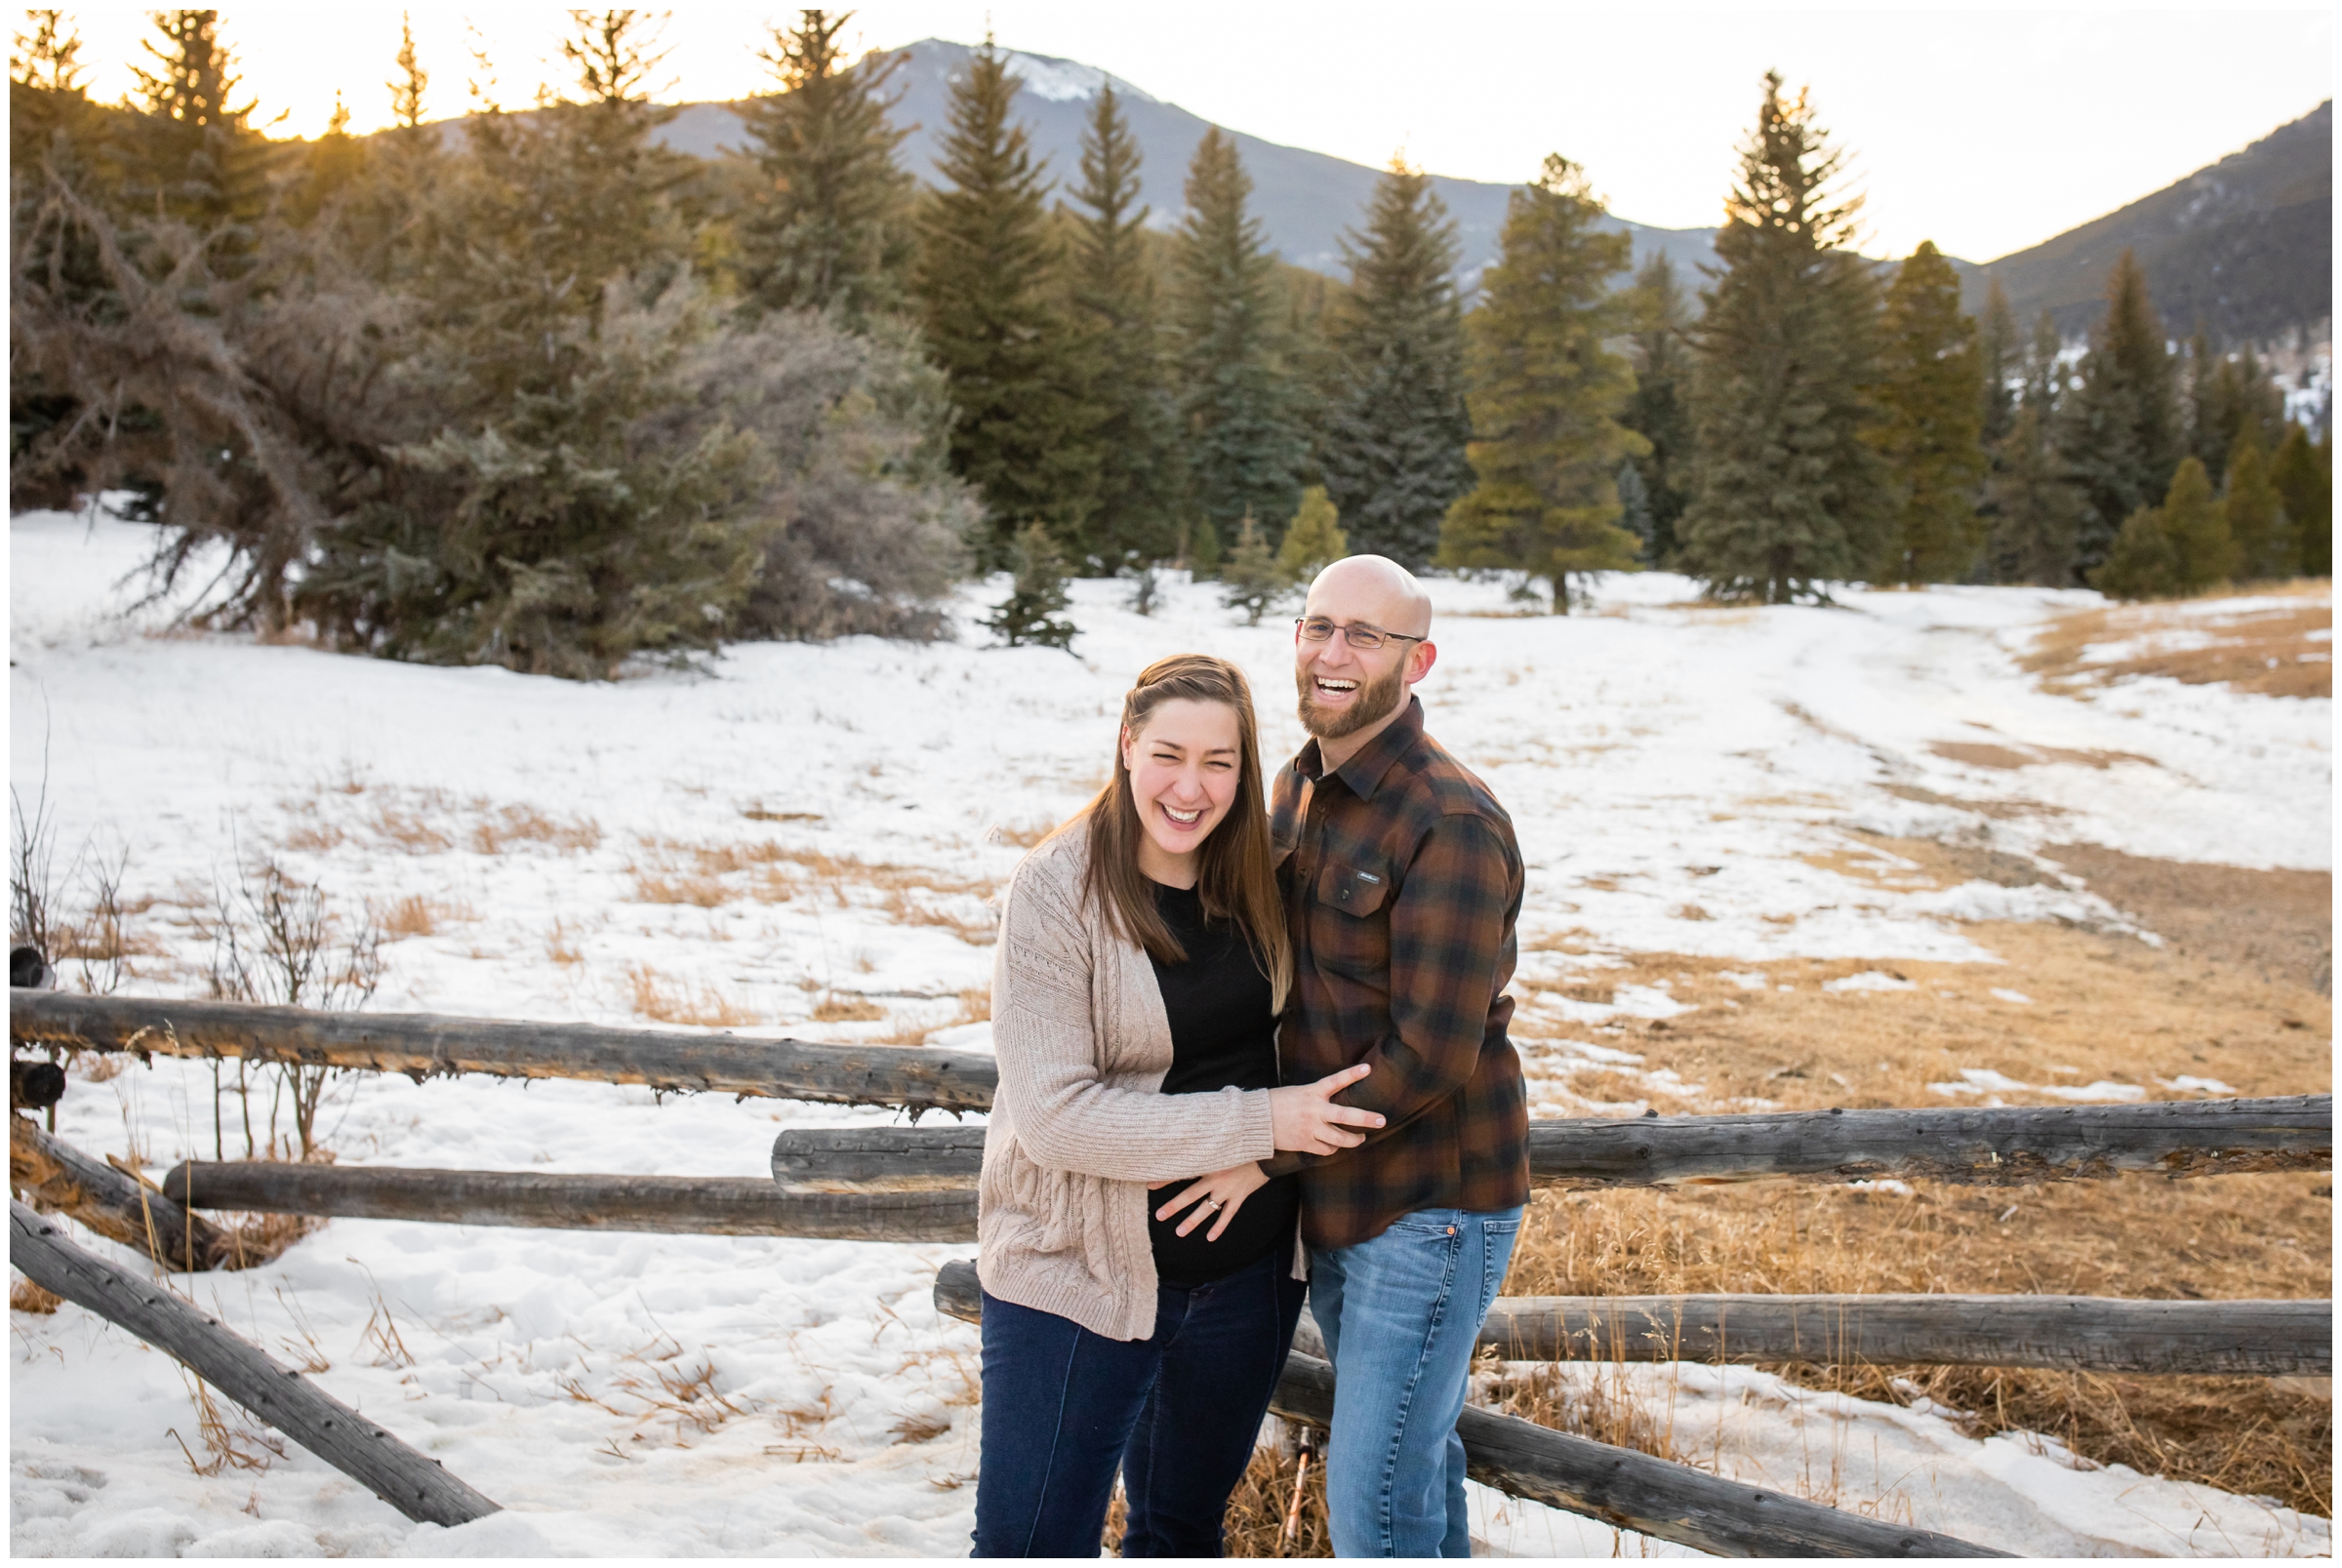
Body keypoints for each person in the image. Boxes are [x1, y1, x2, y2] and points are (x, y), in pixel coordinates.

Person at [973, 652, 1388, 1558]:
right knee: (1030, 1543)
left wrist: (1268, 1158)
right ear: (1126, 746)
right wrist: (1263, 1122)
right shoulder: (1058, 889)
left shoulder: (1263, 880)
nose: (1190, 787)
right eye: (1169, 753)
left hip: (1246, 1287)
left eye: (1220, 761)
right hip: (1077, 1279)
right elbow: (1052, 1115)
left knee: (1181, 1534)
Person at [1262, 556, 1530, 1558]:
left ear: (1417, 660)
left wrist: (1262, 1145)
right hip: (1339, 1189)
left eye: (1364, 636)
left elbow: (1429, 1052)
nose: (1333, 652)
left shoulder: (1446, 816)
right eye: (1318, 626)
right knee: (1413, 1469)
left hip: (1430, 1206)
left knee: (1373, 1498)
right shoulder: (1298, 787)